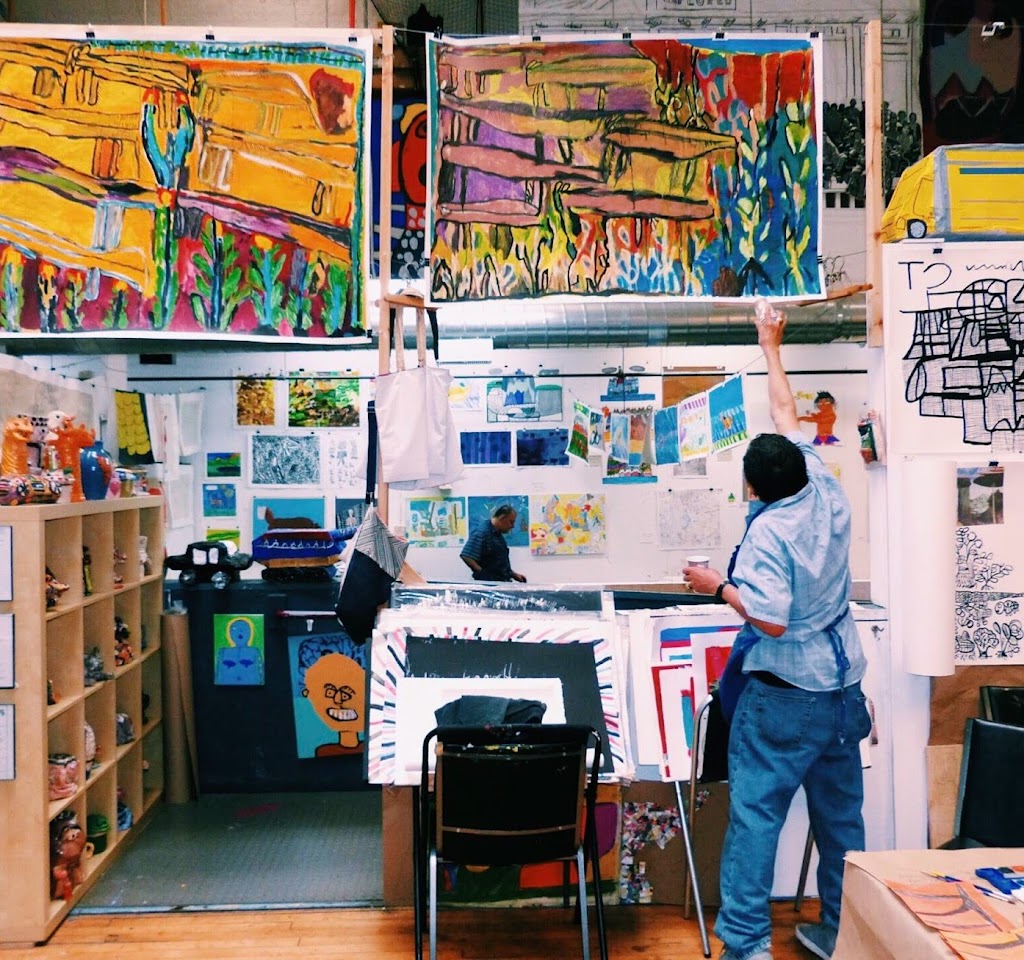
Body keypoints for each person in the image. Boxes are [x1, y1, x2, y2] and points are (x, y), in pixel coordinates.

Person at [683, 304, 870, 960]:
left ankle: (746, 946)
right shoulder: (822, 484)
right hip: (843, 690)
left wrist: (717, 587)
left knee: (757, 820)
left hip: (787, 696)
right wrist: (770, 344)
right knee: (842, 823)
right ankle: (842, 934)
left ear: (755, 488)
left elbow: (771, 619)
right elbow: (787, 413)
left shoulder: (768, 534)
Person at [460, 504, 527, 582]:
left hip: (501, 581)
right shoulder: (483, 532)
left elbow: (499, 562)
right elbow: (466, 556)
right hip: (490, 584)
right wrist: (483, 574)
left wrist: (514, 574)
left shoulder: (497, 533)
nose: (512, 526)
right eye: (511, 522)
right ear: (502, 518)